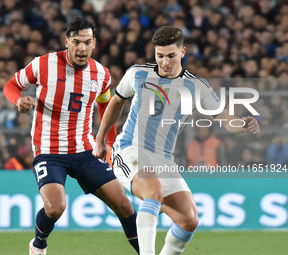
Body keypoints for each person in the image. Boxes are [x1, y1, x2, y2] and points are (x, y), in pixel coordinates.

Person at [93, 26, 260, 255]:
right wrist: (101, 139)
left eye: (170, 56)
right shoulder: (138, 74)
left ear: (183, 52)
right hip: (130, 149)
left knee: (189, 220)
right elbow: (116, 102)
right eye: (159, 56)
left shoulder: (196, 86)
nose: (164, 62)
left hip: (163, 159)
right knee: (153, 190)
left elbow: (225, 119)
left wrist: (244, 124)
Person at [3, 18, 139, 255]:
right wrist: (18, 100)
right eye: (76, 42)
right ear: (67, 41)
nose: (82, 48)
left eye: (87, 42)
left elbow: (106, 108)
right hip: (49, 150)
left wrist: (108, 144)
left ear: (94, 43)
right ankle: (38, 245)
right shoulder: (43, 65)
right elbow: (11, 86)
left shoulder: (101, 74)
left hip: (85, 150)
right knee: (55, 208)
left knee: (125, 206)